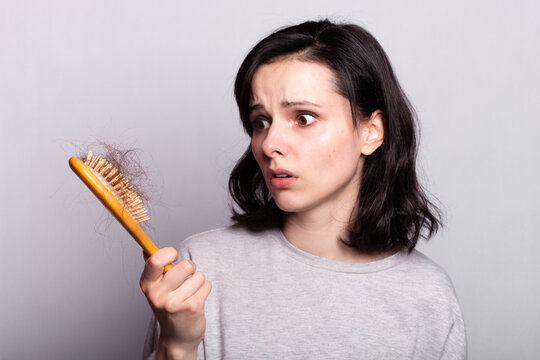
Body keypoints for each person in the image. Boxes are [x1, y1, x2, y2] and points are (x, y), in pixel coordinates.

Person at [140, 19, 467, 359]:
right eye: (260, 122)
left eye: (304, 118)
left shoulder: (428, 297)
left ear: (371, 131)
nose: (269, 144)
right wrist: (178, 346)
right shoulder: (199, 270)